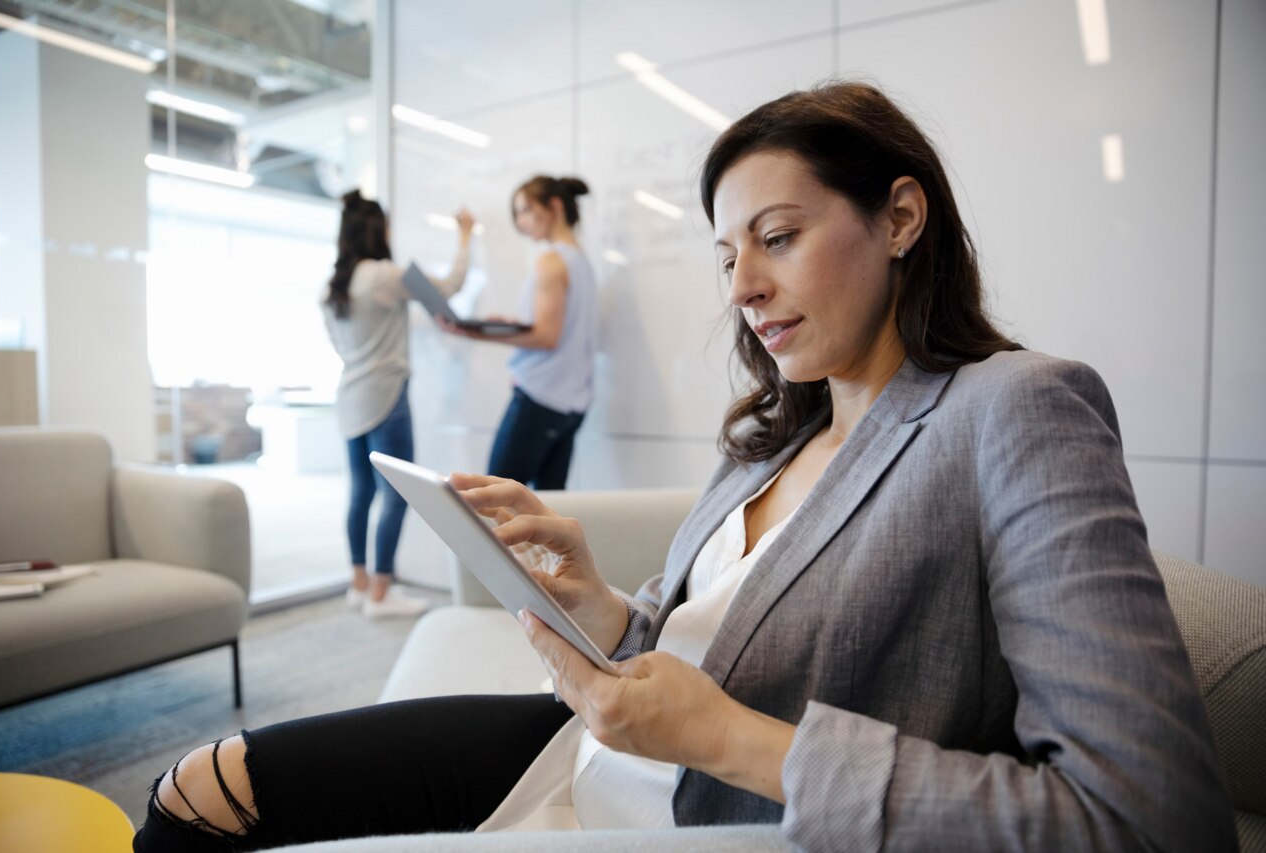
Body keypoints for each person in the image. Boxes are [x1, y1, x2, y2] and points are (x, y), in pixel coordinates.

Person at [133, 83, 1235, 852]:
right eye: (726, 254)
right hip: (583, 753)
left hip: (703, 816)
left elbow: (1152, 820)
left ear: (900, 216)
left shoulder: (1014, 409)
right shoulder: (776, 428)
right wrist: (601, 605)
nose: (744, 286)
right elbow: (695, 649)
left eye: (777, 235)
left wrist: (728, 742)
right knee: (188, 796)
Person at [321, 189, 475, 618]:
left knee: (361, 493)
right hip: (387, 396)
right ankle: (382, 591)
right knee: (397, 494)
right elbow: (448, 291)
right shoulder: (385, 275)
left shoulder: (332, 287)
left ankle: (359, 584)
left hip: (350, 397)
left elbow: (339, 345)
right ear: (377, 231)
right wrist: (465, 236)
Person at [440, 175, 597, 491]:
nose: (521, 221)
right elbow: (554, 329)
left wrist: (478, 333)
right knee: (547, 511)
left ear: (554, 206)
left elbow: (546, 337)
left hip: (539, 399)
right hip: (571, 404)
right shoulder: (581, 261)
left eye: (525, 210)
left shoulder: (551, 261)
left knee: (493, 502)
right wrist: (513, 323)